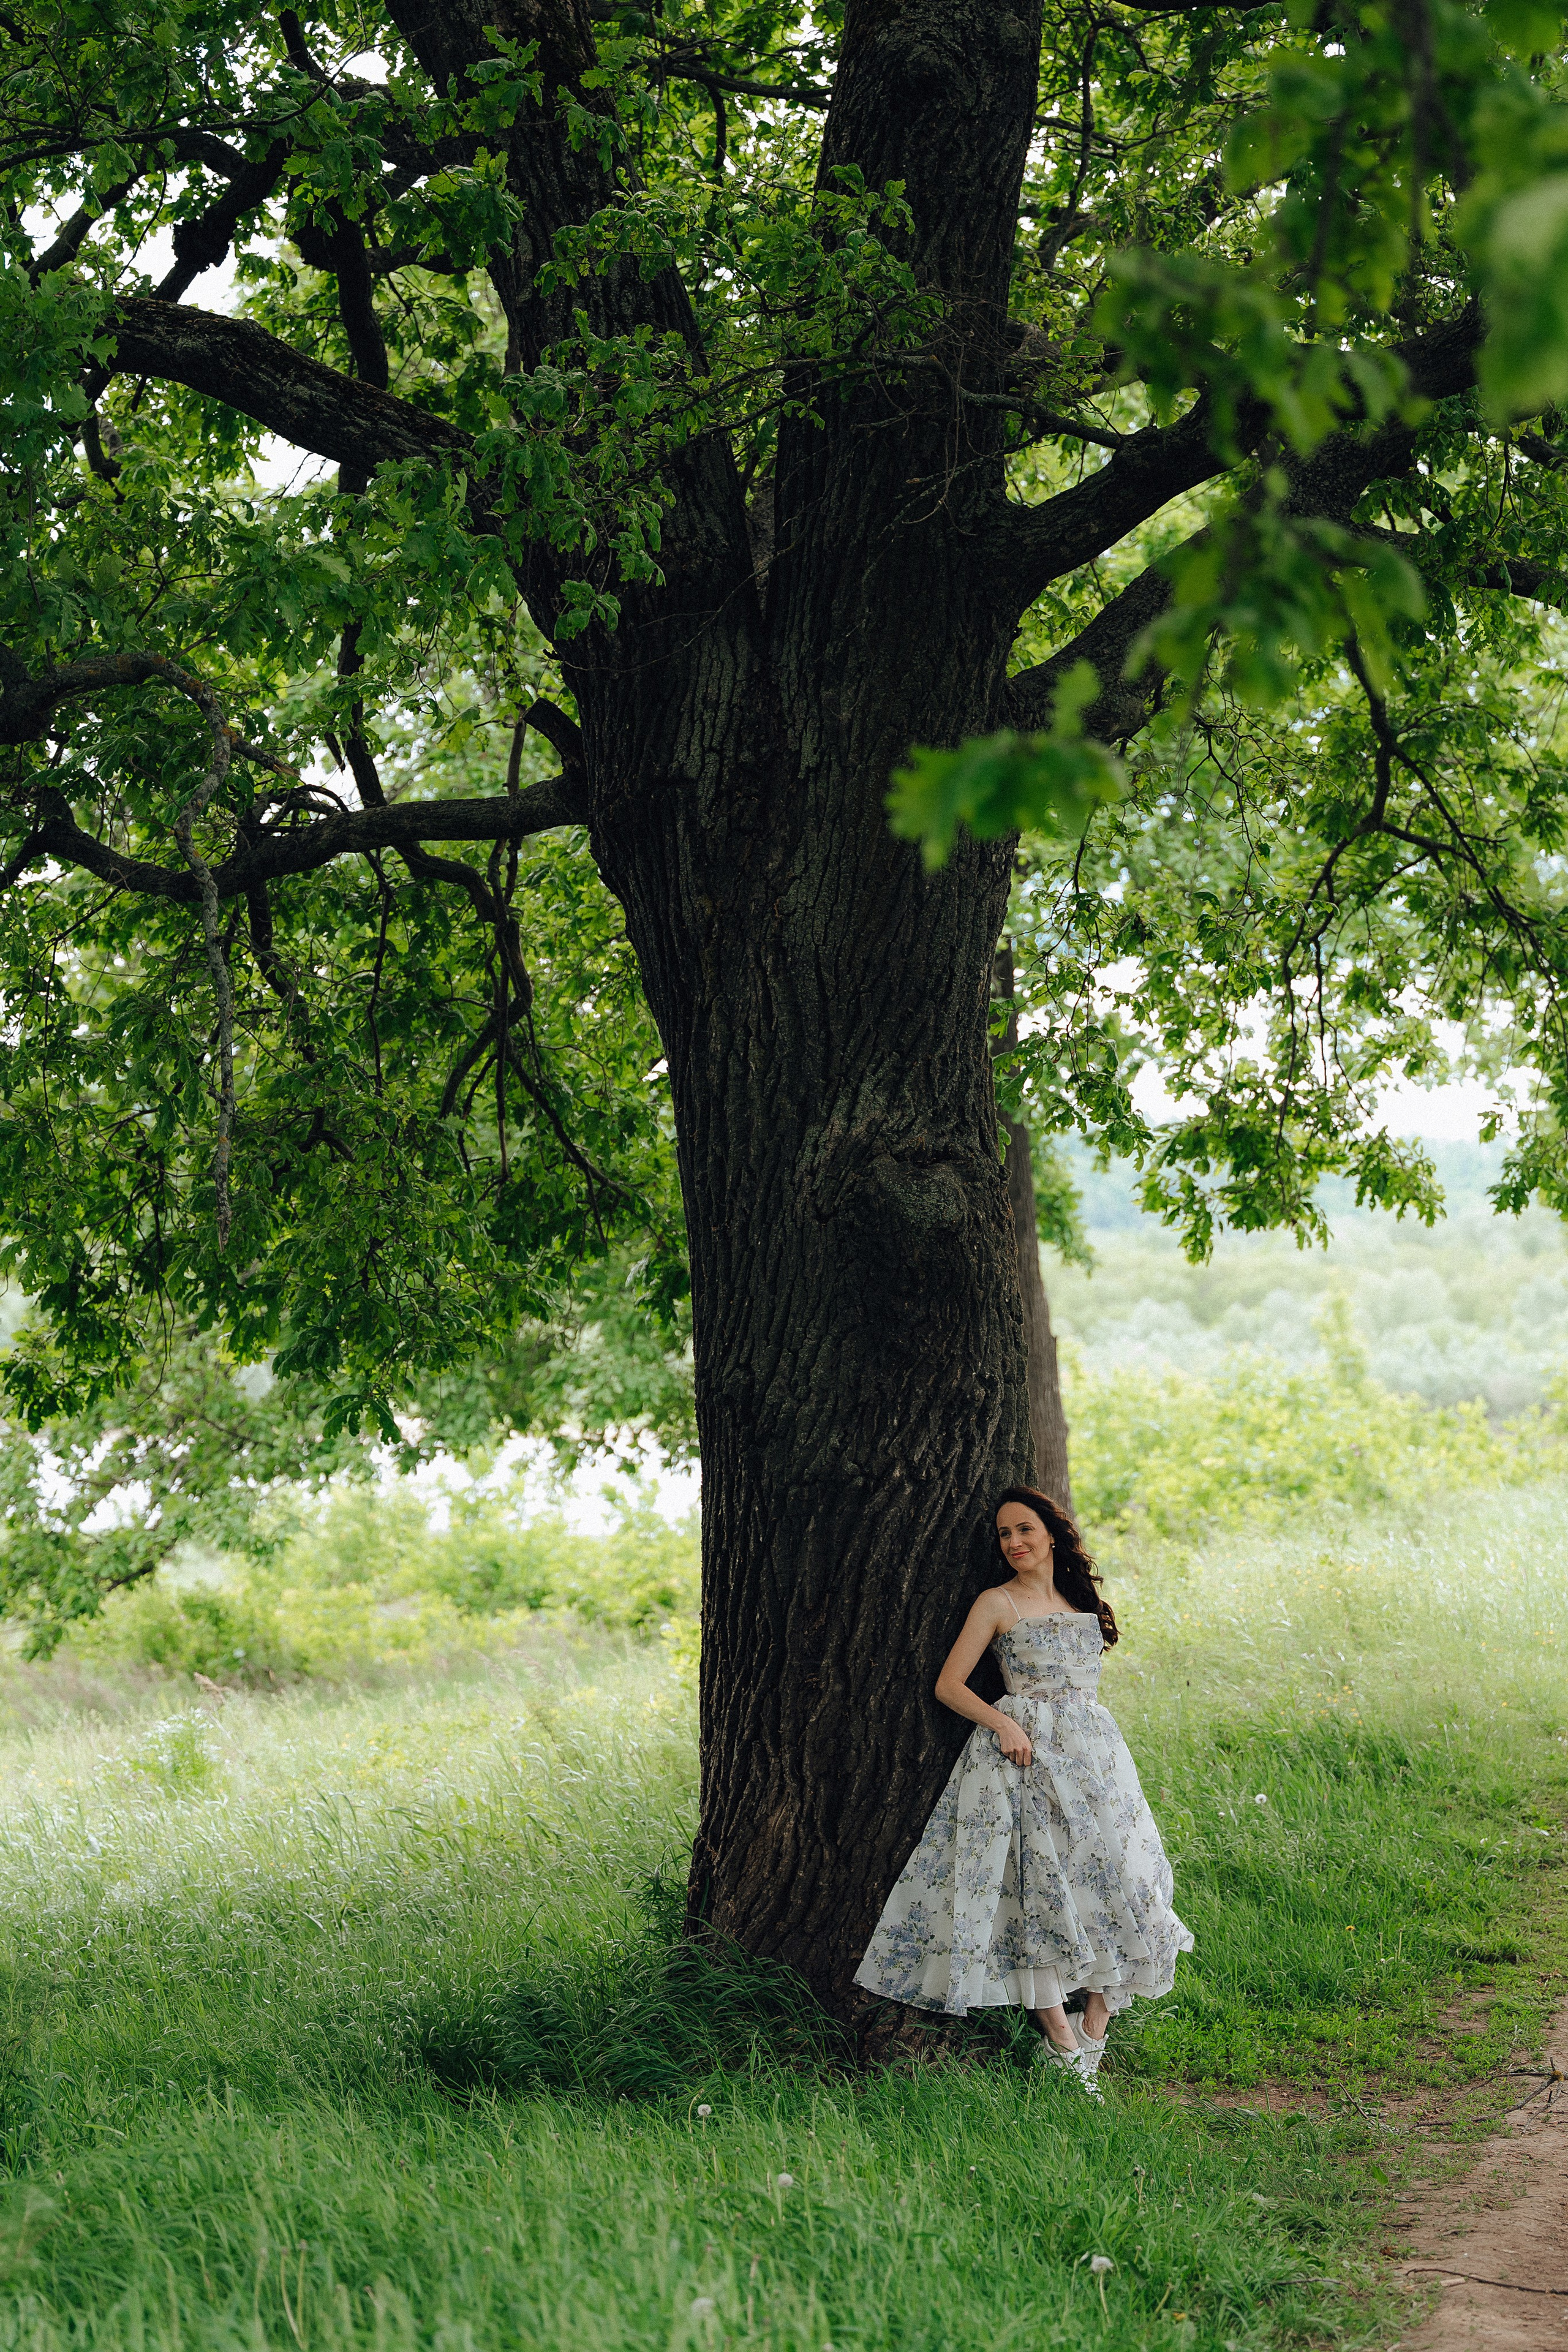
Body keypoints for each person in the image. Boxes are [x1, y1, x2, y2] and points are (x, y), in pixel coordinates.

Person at [854, 1485, 1192, 2095]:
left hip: (1095, 1761)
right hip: (1024, 1759)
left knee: (1128, 1880)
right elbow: (949, 1685)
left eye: (1024, 1529)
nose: (1014, 1542)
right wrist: (1003, 1723)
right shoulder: (996, 1602)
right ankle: (1064, 2046)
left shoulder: (1081, 1600)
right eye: (1004, 1534)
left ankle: (1094, 2028)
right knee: (1036, 1893)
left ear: (1052, 1534)